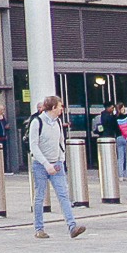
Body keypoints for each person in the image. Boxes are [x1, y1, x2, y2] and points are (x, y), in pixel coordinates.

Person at [26, 95, 85, 240]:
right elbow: (33, 145)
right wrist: (46, 164)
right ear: (53, 107)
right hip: (40, 164)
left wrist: (61, 160)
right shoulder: (37, 122)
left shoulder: (58, 122)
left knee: (63, 195)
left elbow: (61, 142)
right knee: (39, 196)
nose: (62, 108)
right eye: (60, 106)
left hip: (56, 163)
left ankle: (72, 226)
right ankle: (39, 228)